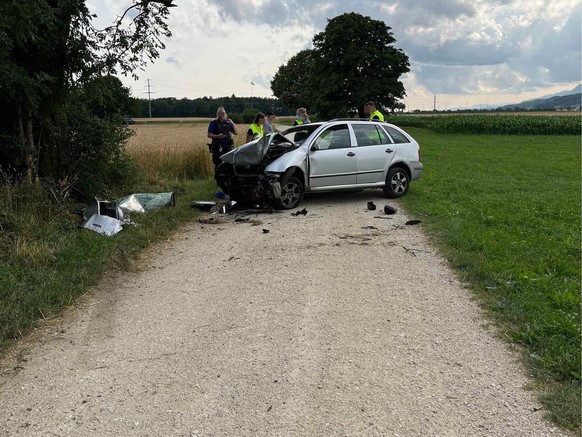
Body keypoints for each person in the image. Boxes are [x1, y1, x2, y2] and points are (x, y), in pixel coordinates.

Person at [207, 107, 238, 173]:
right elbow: (209, 135)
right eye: (220, 113)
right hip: (218, 146)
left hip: (227, 146)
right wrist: (218, 136)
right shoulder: (213, 123)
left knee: (229, 163)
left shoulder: (228, 123)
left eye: (223, 113)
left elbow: (236, 133)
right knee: (218, 163)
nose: (222, 115)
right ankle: (219, 178)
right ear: (217, 114)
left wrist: (232, 123)